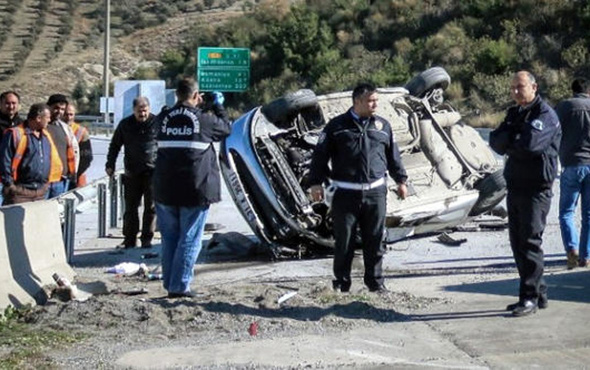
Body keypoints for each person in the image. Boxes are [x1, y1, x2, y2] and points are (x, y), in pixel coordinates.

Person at [307, 83, 408, 293]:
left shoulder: (382, 126)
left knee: (375, 239)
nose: (375, 105)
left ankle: (376, 283)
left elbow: (393, 157)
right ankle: (342, 284)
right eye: (371, 101)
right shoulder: (336, 126)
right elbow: (320, 156)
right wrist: (315, 182)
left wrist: (401, 181)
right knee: (345, 240)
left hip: (375, 192)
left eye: (376, 100)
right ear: (357, 102)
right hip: (346, 193)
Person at [489, 71, 561, 317]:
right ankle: (538, 293)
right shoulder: (515, 113)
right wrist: (514, 137)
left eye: (520, 87)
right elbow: (496, 142)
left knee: (530, 242)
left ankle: (528, 297)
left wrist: (512, 139)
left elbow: (530, 146)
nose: (516, 92)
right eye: (513, 88)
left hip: (536, 189)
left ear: (534, 87)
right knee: (518, 244)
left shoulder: (545, 115)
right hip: (516, 186)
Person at [153, 79, 230, 298]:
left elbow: (156, 129)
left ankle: (170, 283)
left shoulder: (163, 118)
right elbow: (225, 128)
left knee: (169, 239)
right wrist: (217, 105)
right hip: (194, 189)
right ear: (196, 96)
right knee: (189, 238)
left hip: (165, 189)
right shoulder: (204, 119)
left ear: (177, 94)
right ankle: (180, 286)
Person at [106, 96, 158, 248]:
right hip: (132, 173)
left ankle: (147, 239)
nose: (142, 114)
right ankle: (130, 239)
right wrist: (110, 164)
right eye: (139, 112)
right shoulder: (125, 125)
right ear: (133, 110)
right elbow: (114, 146)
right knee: (130, 208)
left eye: (145, 111)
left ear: (149, 109)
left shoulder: (157, 123)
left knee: (151, 208)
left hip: (152, 173)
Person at [555, 78, 590, 269]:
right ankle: (586, 257)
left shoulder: (564, 107)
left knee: (567, 212)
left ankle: (572, 249)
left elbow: (552, 130)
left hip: (571, 164)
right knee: (589, 215)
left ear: (573, 90)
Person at [0, 103, 62, 205]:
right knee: (13, 220)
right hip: (19, 192)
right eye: (47, 117)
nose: (49, 120)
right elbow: (4, 160)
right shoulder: (15, 134)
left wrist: (46, 185)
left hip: (40, 192)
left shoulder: (45, 136)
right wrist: (10, 185)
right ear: (38, 118)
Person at [45, 94, 78, 198]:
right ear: (48, 107)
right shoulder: (40, 126)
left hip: (61, 180)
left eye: (62, 109)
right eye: (56, 108)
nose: (59, 111)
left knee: (57, 213)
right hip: (44, 181)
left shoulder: (65, 128)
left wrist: (73, 173)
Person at [64, 104, 93, 189]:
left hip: (77, 176)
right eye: (66, 114)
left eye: (71, 114)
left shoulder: (81, 132)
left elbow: (87, 158)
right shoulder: (56, 129)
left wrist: (76, 174)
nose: (68, 117)